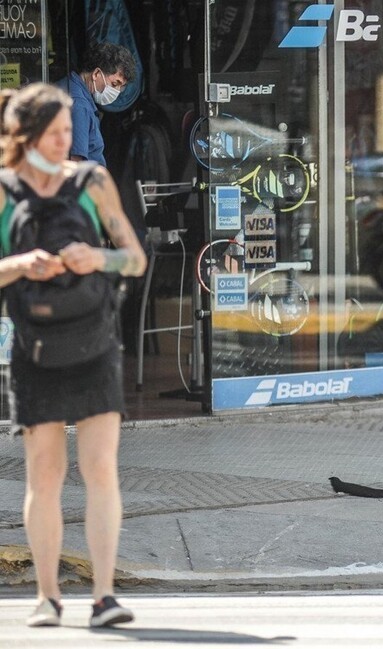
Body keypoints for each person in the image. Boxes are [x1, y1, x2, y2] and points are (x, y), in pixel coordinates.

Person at [0, 83, 147, 626]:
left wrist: (97, 259)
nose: (68, 140)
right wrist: (21, 265)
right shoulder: (4, 189)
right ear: (29, 135)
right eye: (57, 131)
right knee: (44, 473)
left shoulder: (94, 180)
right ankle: (47, 597)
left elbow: (133, 259)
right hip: (35, 349)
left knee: (101, 468)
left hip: (95, 343)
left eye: (69, 129)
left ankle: (103, 597)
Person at [56, 42, 137, 166]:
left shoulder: (69, 85)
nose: (116, 91)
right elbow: (76, 165)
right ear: (96, 74)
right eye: (114, 84)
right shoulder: (80, 106)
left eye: (120, 87)